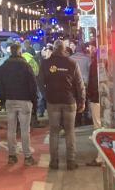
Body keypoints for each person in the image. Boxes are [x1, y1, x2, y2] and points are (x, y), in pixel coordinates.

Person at [41, 40, 85, 171]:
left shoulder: (45, 63)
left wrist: (45, 94)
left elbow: (39, 81)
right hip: (69, 101)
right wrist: (81, 101)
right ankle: (71, 162)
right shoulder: (72, 63)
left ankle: (54, 162)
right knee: (70, 131)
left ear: (54, 49)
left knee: (54, 132)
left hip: (53, 101)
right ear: (64, 49)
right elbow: (79, 84)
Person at [0, 43, 39, 165]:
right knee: (25, 130)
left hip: (10, 100)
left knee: (11, 129)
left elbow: (0, 85)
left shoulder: (4, 66)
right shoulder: (26, 66)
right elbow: (33, 86)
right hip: (24, 100)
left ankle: (11, 155)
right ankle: (27, 157)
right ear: (20, 52)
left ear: (10, 52)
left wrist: (4, 99)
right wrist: (34, 101)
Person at [85, 42, 102, 166]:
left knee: (99, 128)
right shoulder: (100, 62)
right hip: (102, 98)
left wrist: (91, 96)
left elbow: (94, 82)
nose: (89, 50)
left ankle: (100, 157)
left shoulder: (95, 64)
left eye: (90, 48)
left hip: (97, 99)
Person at [70, 43, 91, 125]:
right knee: (84, 100)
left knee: (75, 101)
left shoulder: (70, 58)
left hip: (73, 84)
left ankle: (77, 120)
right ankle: (85, 119)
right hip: (84, 83)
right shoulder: (87, 59)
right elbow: (90, 70)